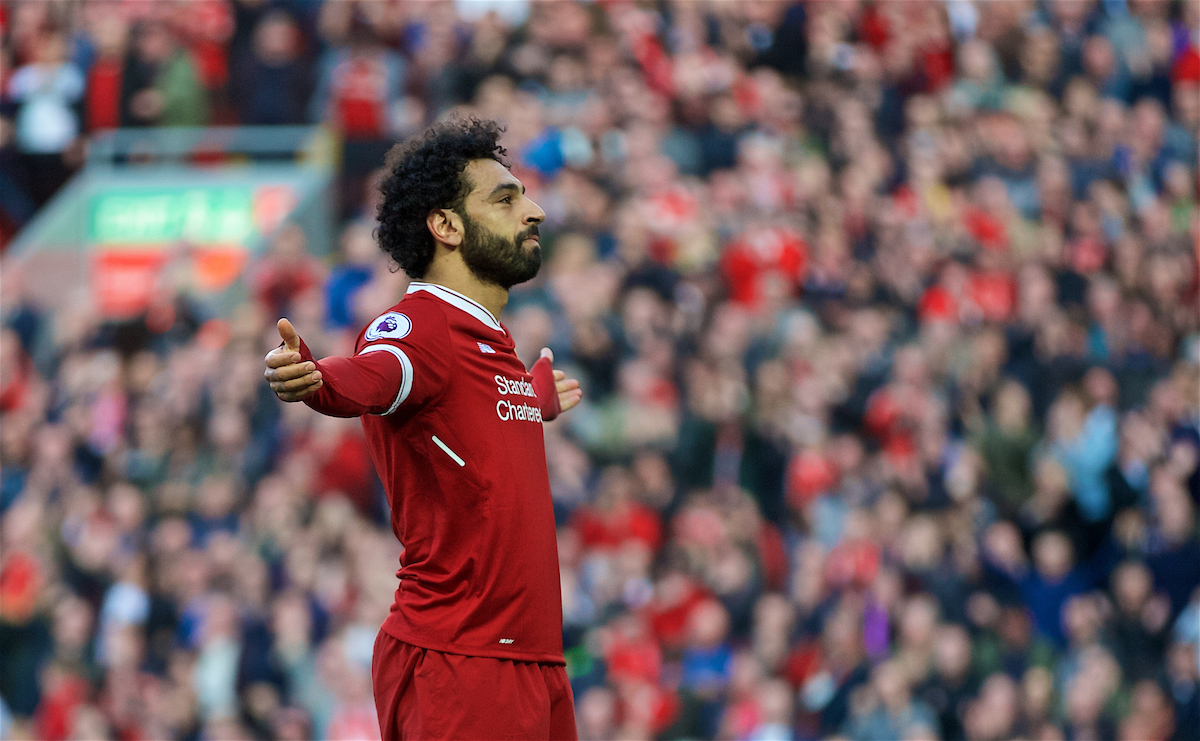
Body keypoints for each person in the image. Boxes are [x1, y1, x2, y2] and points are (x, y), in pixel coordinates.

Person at [262, 117, 583, 740]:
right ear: (446, 226)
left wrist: (535, 397)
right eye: (506, 198)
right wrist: (318, 379)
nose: (535, 210)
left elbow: (478, 421)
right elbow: (375, 373)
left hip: (529, 660)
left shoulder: (487, 344)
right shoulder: (418, 326)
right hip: (463, 663)